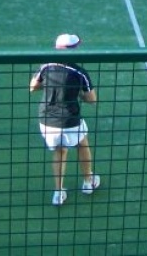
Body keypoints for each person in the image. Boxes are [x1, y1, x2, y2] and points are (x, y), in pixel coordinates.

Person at [29, 33, 100, 206]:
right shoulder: (79, 72)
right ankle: (88, 182)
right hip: (70, 121)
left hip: (47, 121)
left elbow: (33, 87)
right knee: (82, 144)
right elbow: (92, 99)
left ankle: (59, 192)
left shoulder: (46, 67)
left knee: (59, 152)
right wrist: (78, 95)